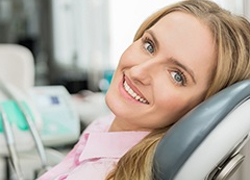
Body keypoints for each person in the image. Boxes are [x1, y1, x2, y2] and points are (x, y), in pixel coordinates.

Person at [37, 0, 250, 179]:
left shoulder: (100, 173)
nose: (138, 72)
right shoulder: (105, 125)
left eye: (177, 76)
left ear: (202, 109)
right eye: (149, 46)